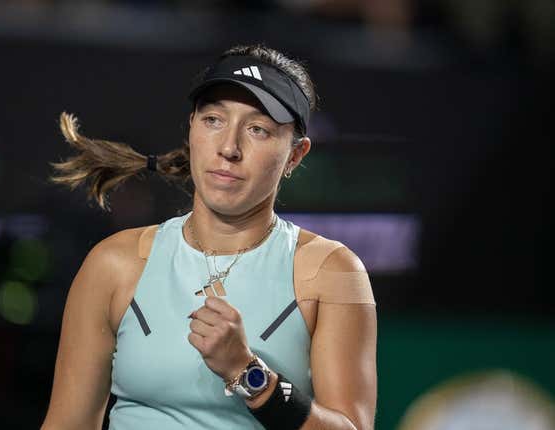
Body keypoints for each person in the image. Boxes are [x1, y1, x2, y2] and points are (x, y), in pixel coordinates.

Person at [41, 44, 377, 430]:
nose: (229, 148)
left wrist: (249, 374)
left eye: (258, 129)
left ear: (296, 155)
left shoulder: (331, 270)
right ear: (191, 128)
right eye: (214, 120)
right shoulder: (114, 264)